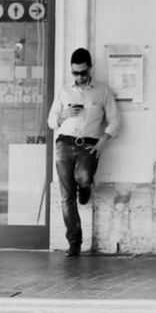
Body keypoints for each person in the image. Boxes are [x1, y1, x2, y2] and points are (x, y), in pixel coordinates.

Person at [47, 47, 120, 257]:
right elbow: (51, 121)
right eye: (75, 73)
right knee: (66, 197)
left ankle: (85, 186)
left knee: (84, 176)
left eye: (83, 72)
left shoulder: (102, 91)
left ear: (90, 69)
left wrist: (103, 140)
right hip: (64, 143)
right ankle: (74, 242)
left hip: (89, 143)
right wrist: (64, 115)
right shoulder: (64, 91)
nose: (79, 77)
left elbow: (115, 119)